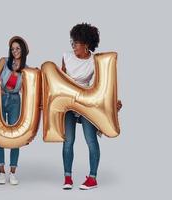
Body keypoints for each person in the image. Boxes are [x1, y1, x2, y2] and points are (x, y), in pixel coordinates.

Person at [61, 23, 122, 190]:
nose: (73, 46)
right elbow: (60, 81)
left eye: (76, 43)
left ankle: (92, 178)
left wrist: (112, 102)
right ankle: (67, 177)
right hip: (69, 103)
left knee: (91, 140)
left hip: (87, 103)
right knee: (68, 141)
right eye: (72, 42)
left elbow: (103, 84)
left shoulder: (95, 60)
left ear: (86, 44)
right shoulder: (66, 56)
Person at [0, 36, 29, 185]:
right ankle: (1, 172)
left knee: (15, 136)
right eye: (12, 48)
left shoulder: (26, 69)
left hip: (15, 100)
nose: (14, 51)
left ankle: (13, 172)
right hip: (1, 99)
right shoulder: (4, 61)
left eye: (17, 48)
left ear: (23, 50)